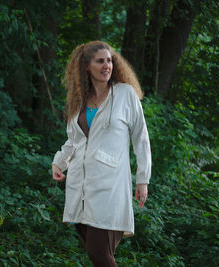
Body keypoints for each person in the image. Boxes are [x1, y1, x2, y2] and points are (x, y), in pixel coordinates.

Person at [52, 40, 151, 267]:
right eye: (100, 61)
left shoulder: (125, 95)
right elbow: (75, 140)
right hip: (81, 188)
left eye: (109, 61)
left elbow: (141, 138)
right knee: (99, 255)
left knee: (98, 252)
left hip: (111, 186)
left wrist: (143, 179)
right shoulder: (79, 101)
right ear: (87, 66)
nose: (107, 65)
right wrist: (59, 162)